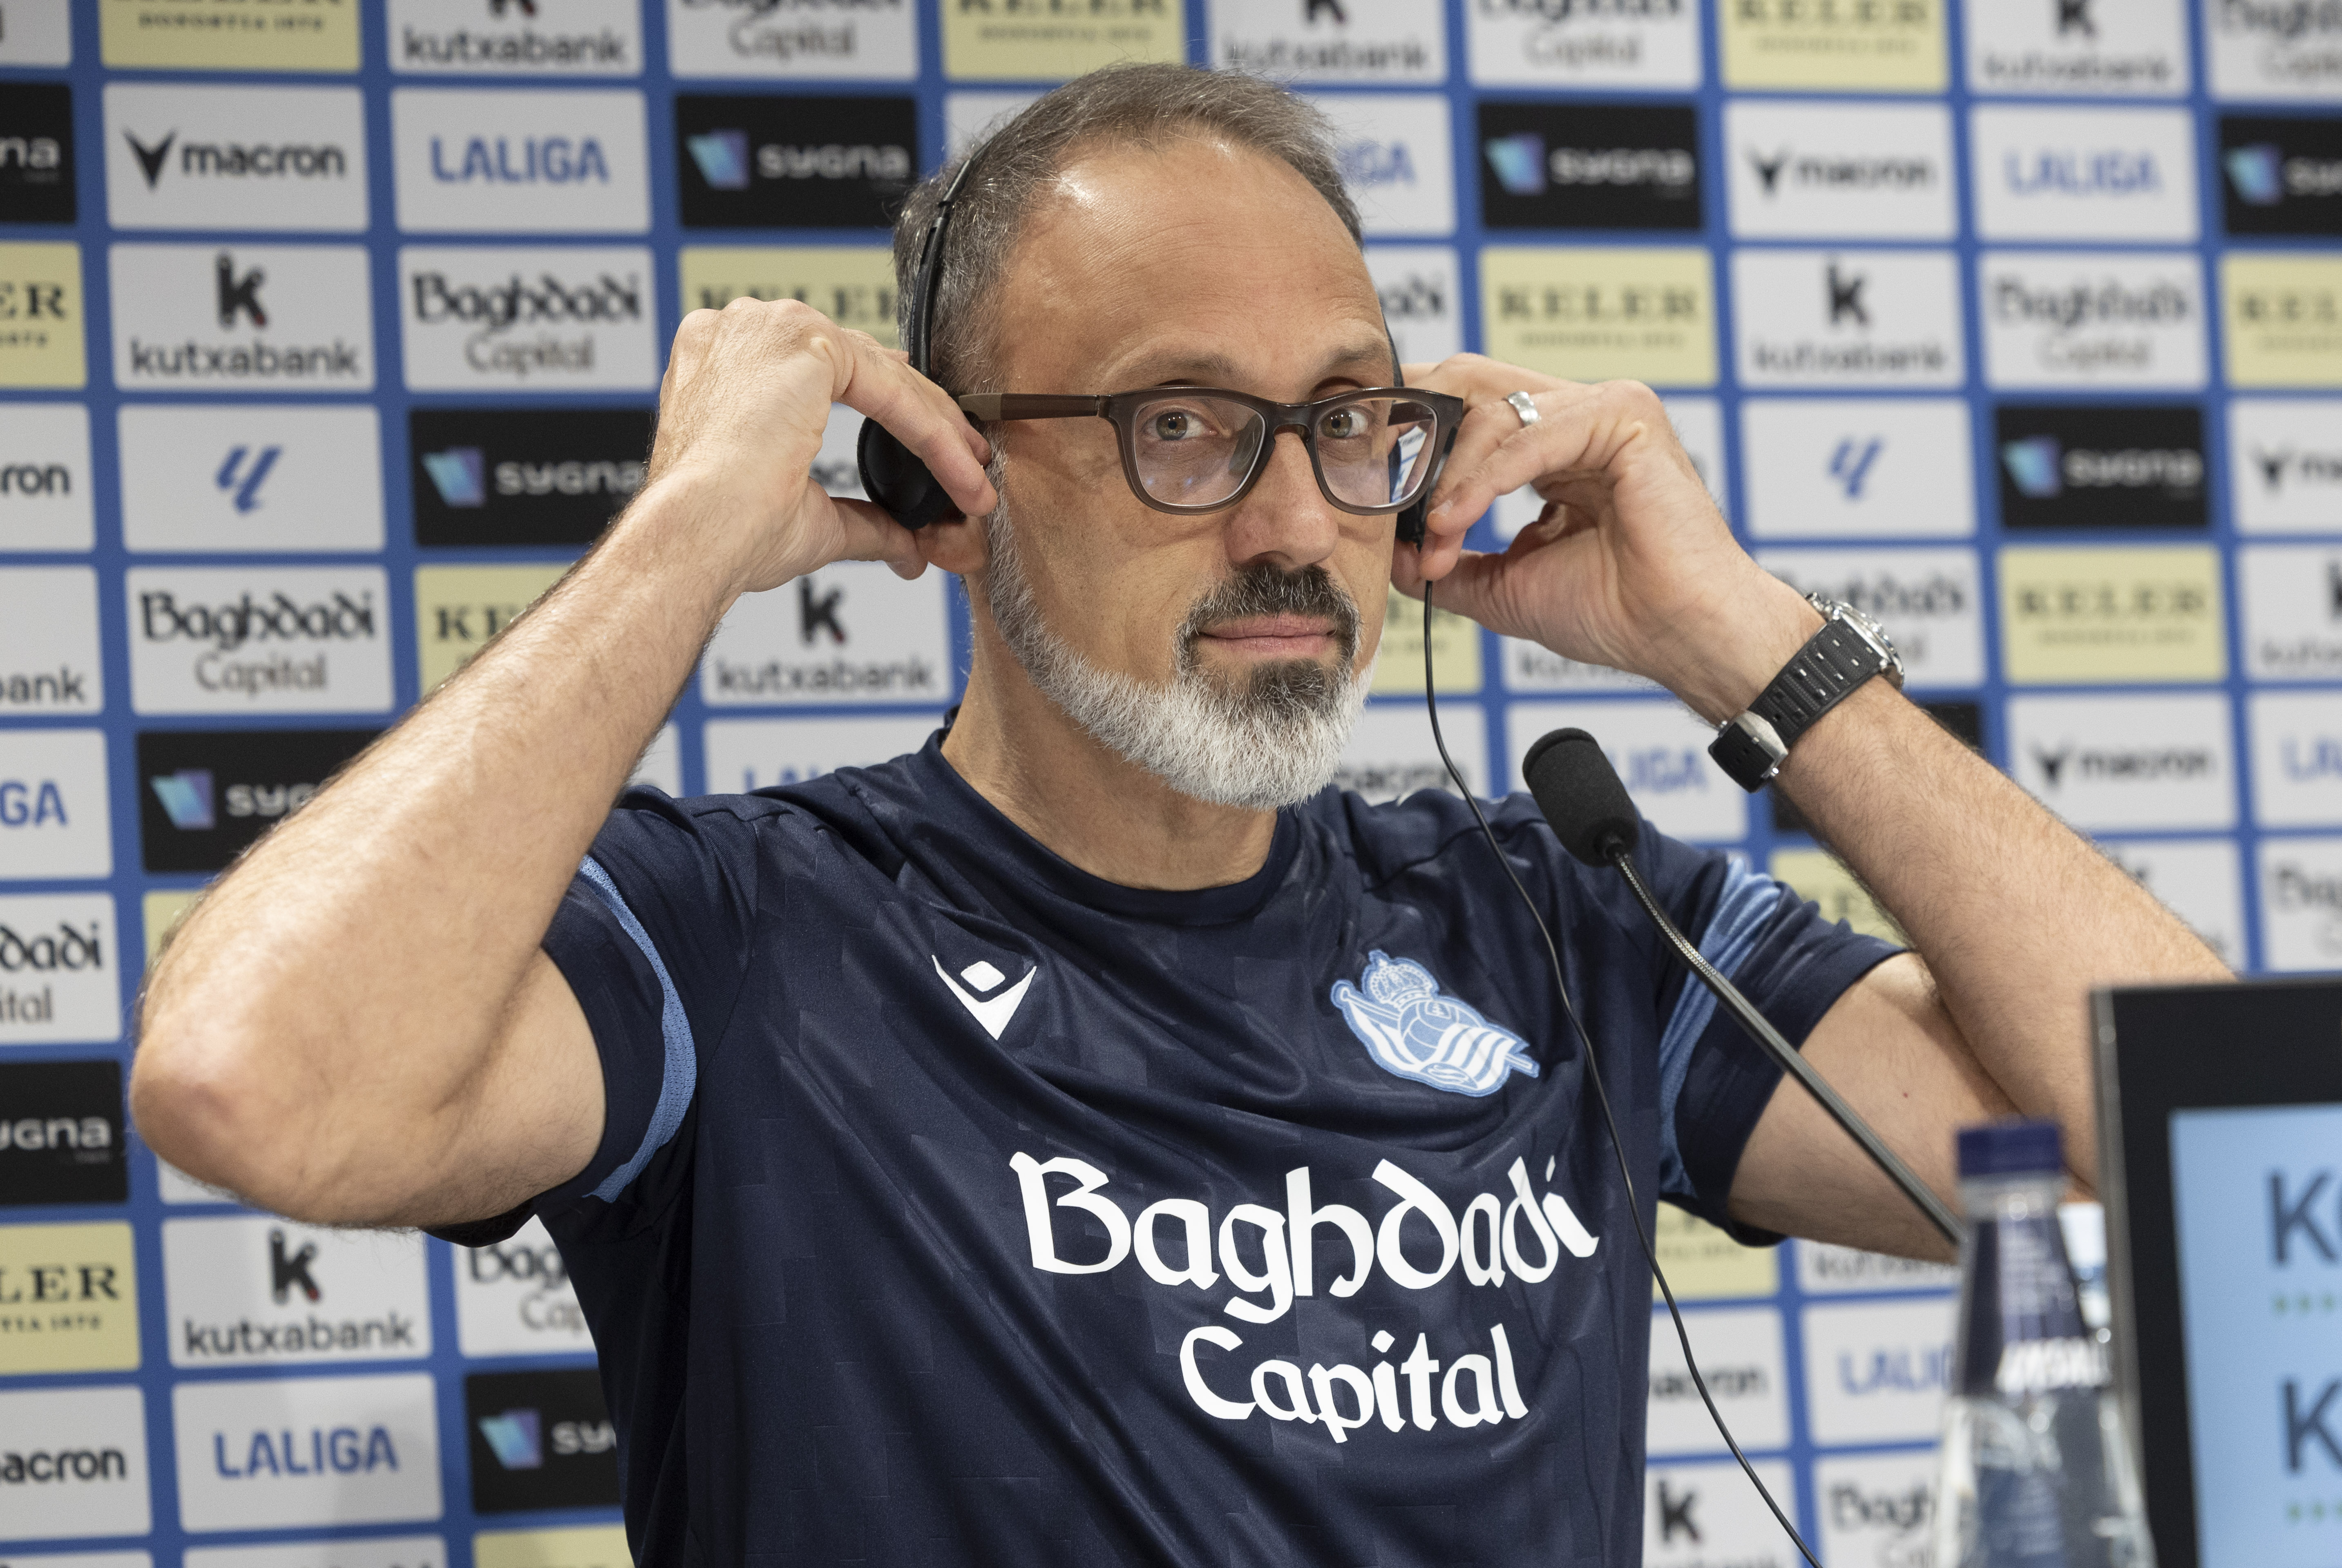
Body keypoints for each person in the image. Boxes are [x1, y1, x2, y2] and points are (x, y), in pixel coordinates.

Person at [132, 65, 2230, 1566]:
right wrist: (674, 543)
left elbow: (2211, 1177)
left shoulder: (1550, 914)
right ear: (956, 473)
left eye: (1343, 420)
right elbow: (258, 1085)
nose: (1298, 518)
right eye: (1181, 428)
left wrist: (1744, 642)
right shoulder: (746, 933)